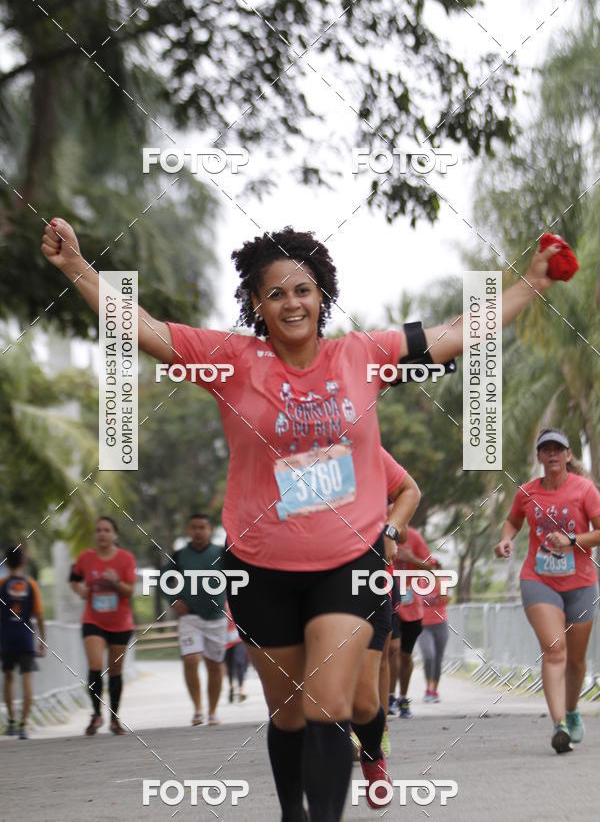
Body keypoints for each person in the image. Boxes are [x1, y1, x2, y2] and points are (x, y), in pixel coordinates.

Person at [42, 217, 560, 821]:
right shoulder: (231, 360)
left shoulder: (364, 356)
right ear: (257, 305)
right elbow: (148, 330)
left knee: (328, 704)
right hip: (261, 569)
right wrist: (78, 268)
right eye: (276, 292)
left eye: (304, 289)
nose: (292, 302)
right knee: (288, 713)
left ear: (323, 296)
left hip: (349, 563)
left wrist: (527, 284)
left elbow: (456, 332)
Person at [494, 428, 600, 754]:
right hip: (538, 580)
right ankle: (559, 726)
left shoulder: (585, 490)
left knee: (577, 661)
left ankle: (571, 710)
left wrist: (573, 542)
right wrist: (506, 539)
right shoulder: (526, 493)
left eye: (558, 449)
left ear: (568, 455)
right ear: (539, 457)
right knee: (555, 650)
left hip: (580, 582)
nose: (552, 454)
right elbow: (512, 521)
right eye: (546, 449)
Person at [350, 448, 420, 806]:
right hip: (318, 578)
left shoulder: (368, 448)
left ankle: (375, 739)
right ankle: (347, 732)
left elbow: (409, 493)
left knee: (376, 666)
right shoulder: (294, 449)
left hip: (375, 579)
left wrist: (392, 530)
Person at [69, 516, 136, 736]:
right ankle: (96, 714)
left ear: (115, 534)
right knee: (95, 665)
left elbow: (130, 591)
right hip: (93, 619)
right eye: (98, 530)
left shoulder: (125, 559)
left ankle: (114, 718)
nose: (102, 534)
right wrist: (81, 591)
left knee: (115, 670)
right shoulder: (86, 558)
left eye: (107, 530)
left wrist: (116, 581)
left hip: (120, 622)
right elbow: (73, 578)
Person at [162, 513, 227, 725]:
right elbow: (163, 579)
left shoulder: (221, 552)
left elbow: (238, 577)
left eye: (202, 527)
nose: (198, 531)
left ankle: (213, 711)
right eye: (194, 528)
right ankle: (198, 708)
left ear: (210, 529)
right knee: (191, 660)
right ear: (188, 531)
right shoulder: (179, 555)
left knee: (214, 666)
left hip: (216, 617)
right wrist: (173, 600)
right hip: (190, 617)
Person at [389, 525, 436, 718]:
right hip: (389, 601)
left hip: (412, 605)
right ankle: (389, 697)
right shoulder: (378, 532)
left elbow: (431, 567)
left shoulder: (414, 537)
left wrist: (410, 559)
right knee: (393, 649)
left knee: (405, 655)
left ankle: (402, 698)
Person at [0, 546, 46, 739]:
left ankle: (10, 720)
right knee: (27, 679)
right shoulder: (31, 584)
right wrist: (42, 639)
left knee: (8, 677)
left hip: (6, 637)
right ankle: (23, 724)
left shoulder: (1, 584)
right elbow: (40, 615)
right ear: (23, 562)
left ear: (6, 562)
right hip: (26, 638)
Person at [419, 577, 450, 702]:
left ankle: (434, 690)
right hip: (423, 626)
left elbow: (446, 599)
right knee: (428, 655)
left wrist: (438, 583)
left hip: (440, 624)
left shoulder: (442, 581)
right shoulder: (417, 581)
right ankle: (427, 688)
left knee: (438, 659)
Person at [225, 602, 249, 703]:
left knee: (240, 662)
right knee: (230, 665)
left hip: (239, 638)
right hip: (225, 639)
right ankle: (231, 687)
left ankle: (241, 689)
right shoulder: (219, 599)